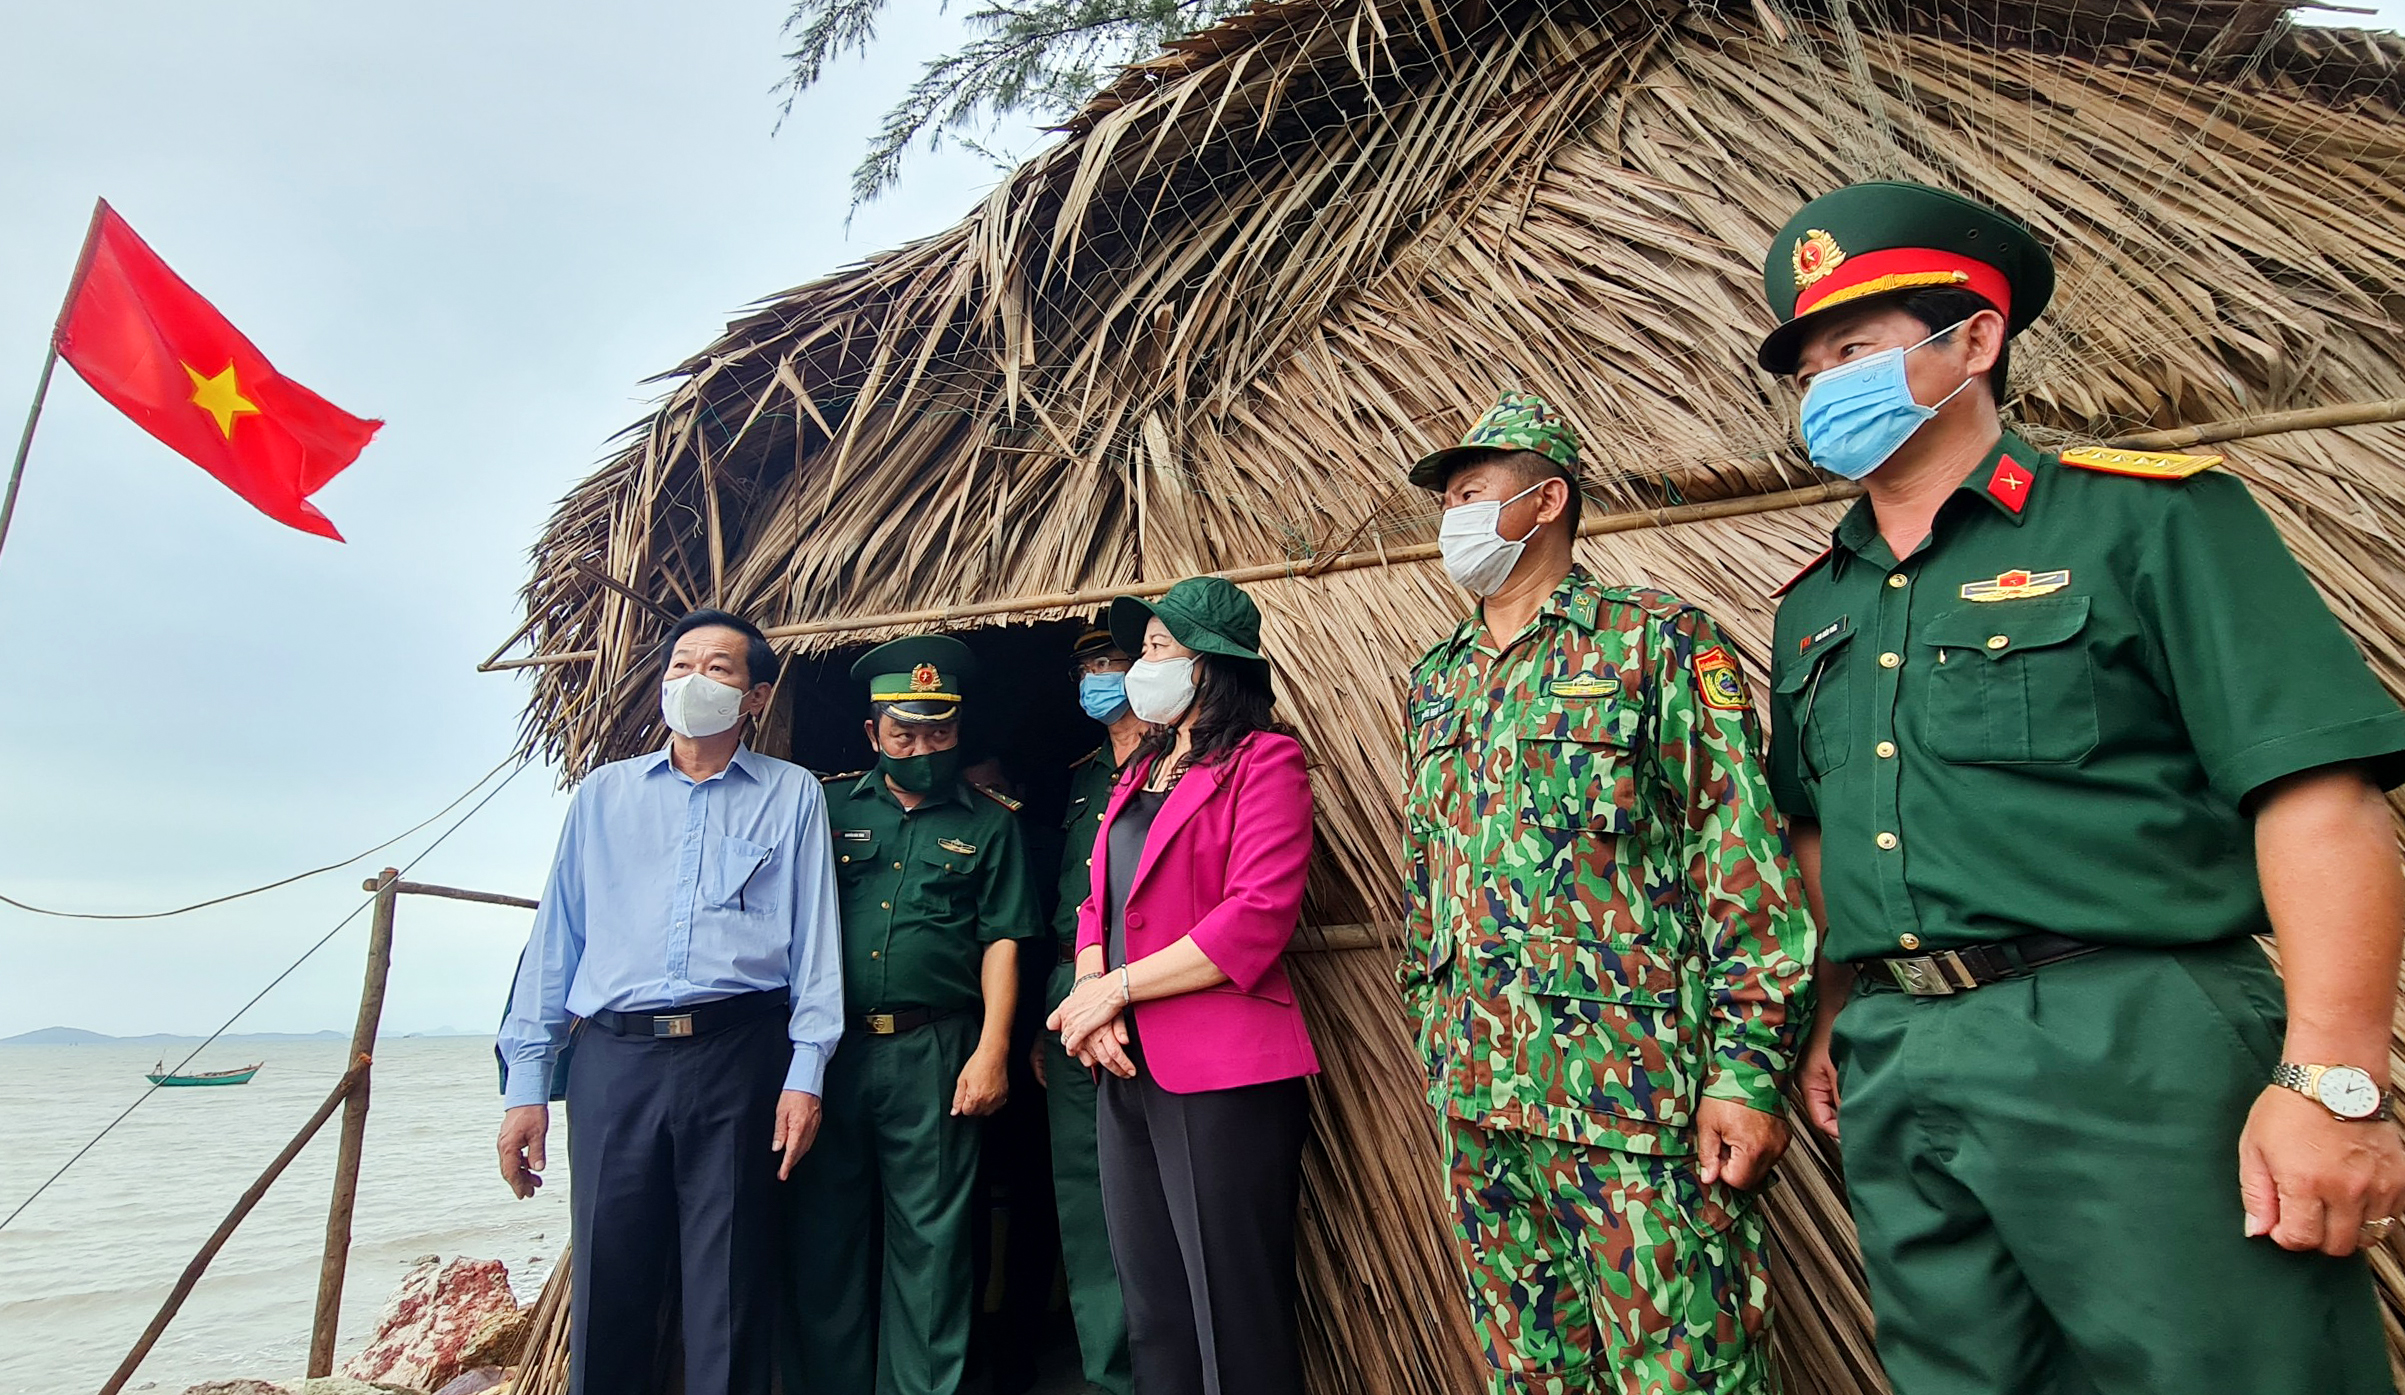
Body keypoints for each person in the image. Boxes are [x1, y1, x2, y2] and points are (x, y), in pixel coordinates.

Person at [1759, 180, 2405, 1393]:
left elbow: (2315, 794)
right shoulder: (1813, 606)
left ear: (1975, 340)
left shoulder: (2144, 521)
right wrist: (1838, 1012)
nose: (1823, 385)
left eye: (1854, 346)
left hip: (2128, 1038)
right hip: (1900, 1056)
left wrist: (2333, 1082)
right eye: (1804, 368)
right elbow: (1817, 834)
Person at [1397, 392, 1814, 1394]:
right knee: (1528, 1371)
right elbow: (1426, 877)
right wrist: (1431, 1026)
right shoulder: (1437, 679)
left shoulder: (1655, 641)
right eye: (1445, 498)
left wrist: (1746, 1075)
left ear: (1544, 502)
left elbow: (1740, 860)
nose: (1450, 516)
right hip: (1481, 1103)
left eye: (1470, 492)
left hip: (1634, 1103)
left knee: (1683, 1370)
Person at [495, 607, 843, 1395]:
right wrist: (525, 1087)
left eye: (717, 668)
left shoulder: (790, 796)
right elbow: (556, 946)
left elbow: (815, 944)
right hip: (613, 1060)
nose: (693, 681)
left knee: (730, 1284)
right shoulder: (602, 796)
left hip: (739, 1055)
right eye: (681, 665)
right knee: (610, 1270)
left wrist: (807, 1069)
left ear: (754, 697)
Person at [1048, 576, 1319, 1395]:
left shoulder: (1265, 760)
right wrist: (1093, 996)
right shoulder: (1141, 769)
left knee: (1232, 1310)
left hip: (1222, 1071)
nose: (1141, 663)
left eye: (1160, 646)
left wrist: (1115, 988)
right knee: (1154, 1304)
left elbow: (1255, 917)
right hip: (1126, 1066)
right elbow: (1096, 898)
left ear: (1212, 664)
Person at [783, 634, 1038, 1395]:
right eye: (904, 733)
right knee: (825, 1236)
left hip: (937, 1047)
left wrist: (992, 1049)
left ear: (960, 729)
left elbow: (1001, 940)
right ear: (873, 734)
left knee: (933, 1245)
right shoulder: (822, 808)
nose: (921, 747)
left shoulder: (993, 822)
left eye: (939, 732)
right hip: (829, 1053)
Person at [1029, 620, 1139, 1395]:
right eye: (1087, 668)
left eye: (1114, 662)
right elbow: (1064, 906)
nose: (1098, 678)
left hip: (1149, 994)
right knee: (1084, 1191)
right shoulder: (1079, 776)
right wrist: (1052, 1013)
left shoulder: (1183, 760)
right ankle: (1110, 1373)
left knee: (1159, 1189)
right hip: (1071, 1004)